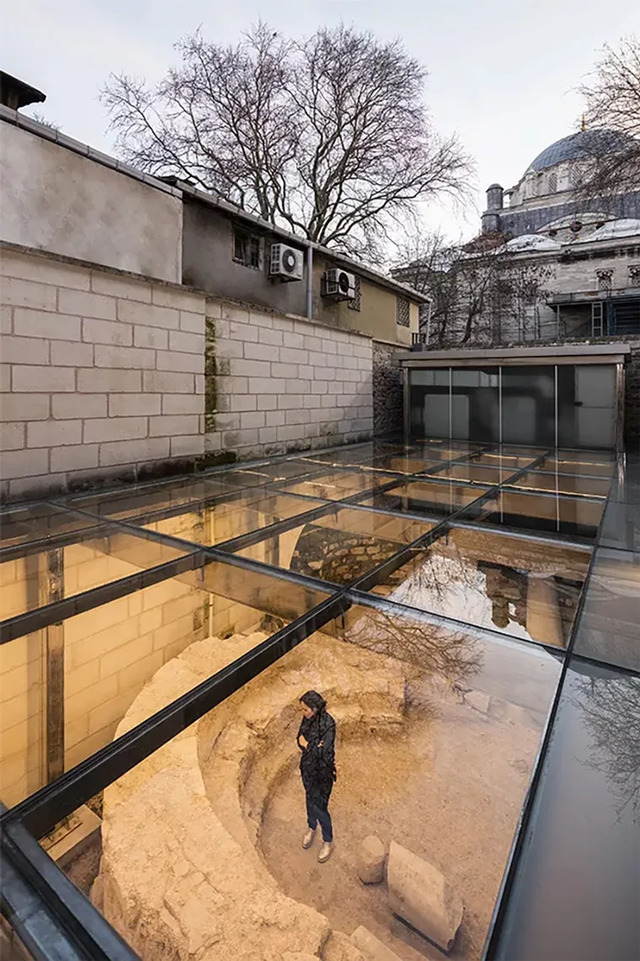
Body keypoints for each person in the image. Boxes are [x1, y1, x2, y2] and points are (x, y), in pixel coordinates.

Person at [296, 690, 336, 863]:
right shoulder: (308, 718)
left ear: (314, 708)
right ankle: (312, 827)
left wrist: (308, 745)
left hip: (323, 774)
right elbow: (299, 737)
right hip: (308, 770)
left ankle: (327, 840)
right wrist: (314, 746)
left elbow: (325, 754)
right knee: (309, 800)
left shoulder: (329, 724)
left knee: (320, 807)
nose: (303, 713)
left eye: (305, 710)